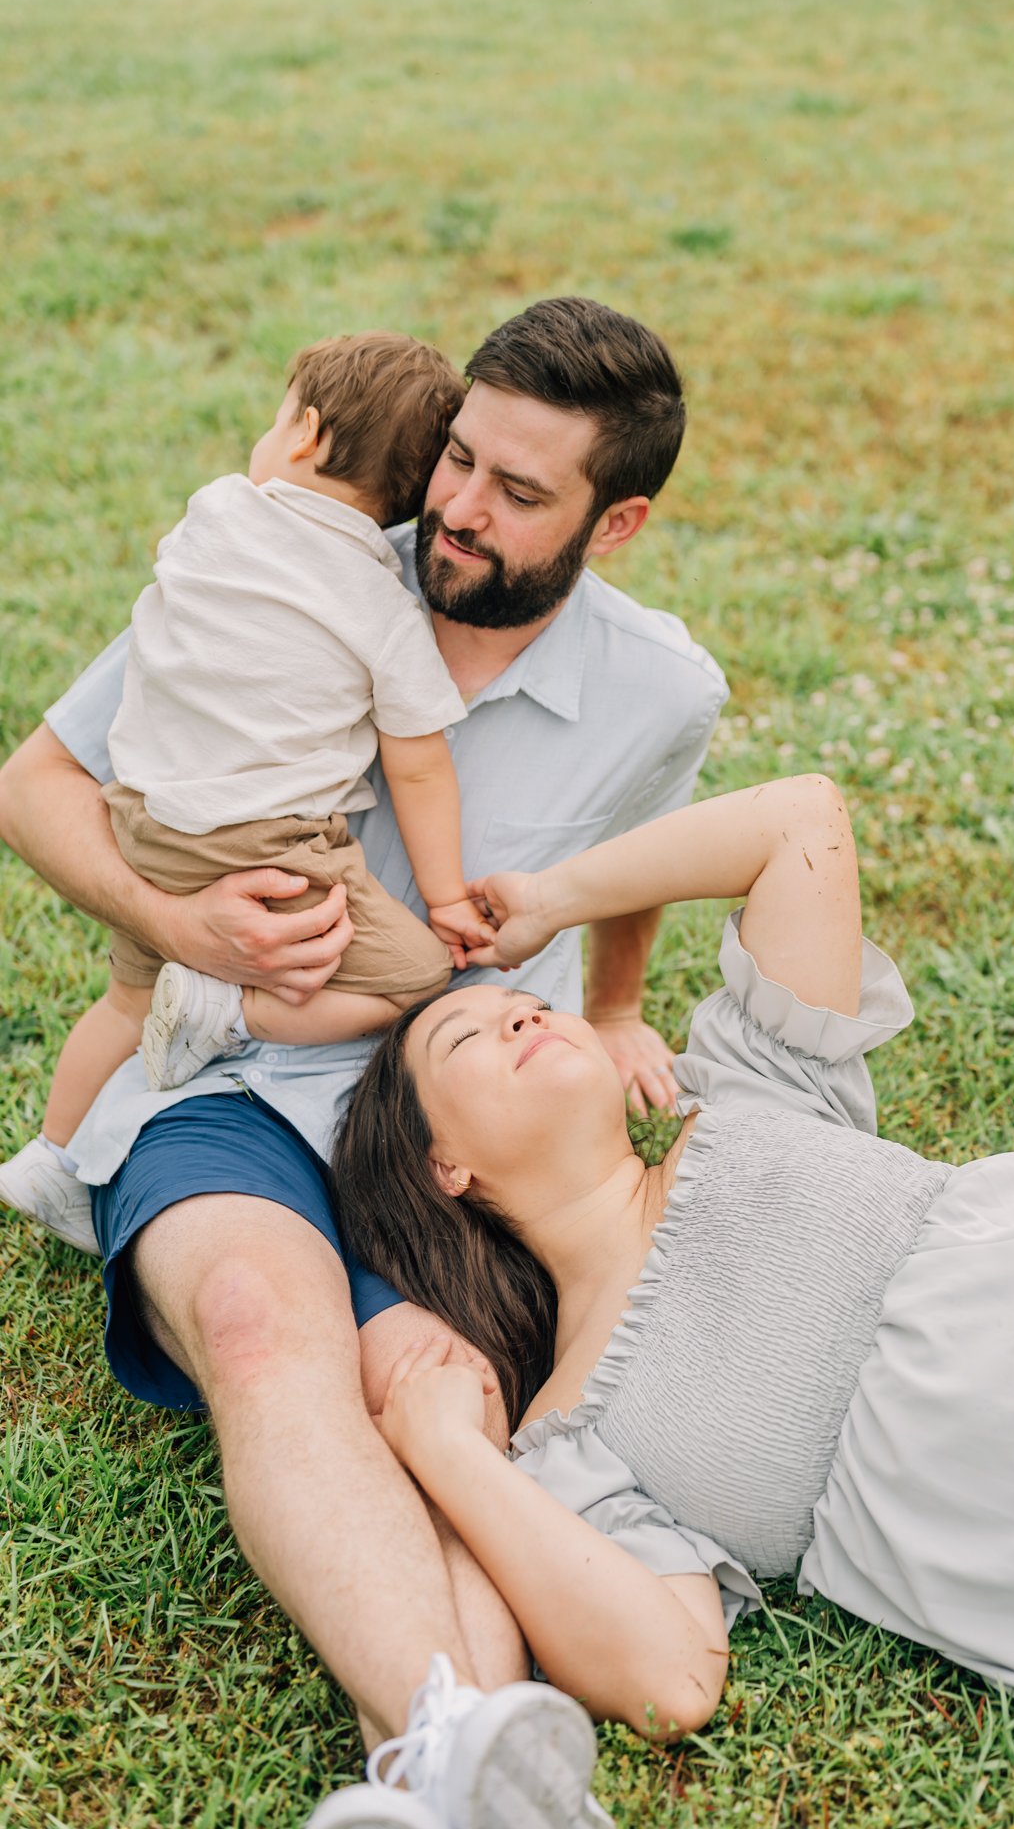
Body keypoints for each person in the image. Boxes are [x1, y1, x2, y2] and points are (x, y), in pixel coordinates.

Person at [0, 297, 727, 1829]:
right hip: (229, 1087)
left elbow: (634, 847)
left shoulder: (661, 690)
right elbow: (38, 783)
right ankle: (450, 1745)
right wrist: (180, 921)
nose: (454, 508)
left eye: (518, 493)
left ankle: (456, 1776)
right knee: (271, 1331)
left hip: (449, 1123)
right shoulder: (280, 562)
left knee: (439, 1395)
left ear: (621, 522)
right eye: (457, 457)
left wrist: (609, 1006)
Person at [332, 772, 1014, 1829]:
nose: (520, 1018)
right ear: (442, 1164)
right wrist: (451, 1453)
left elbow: (800, 821)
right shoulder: (572, 1443)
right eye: (470, 1038)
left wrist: (552, 900)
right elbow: (670, 1678)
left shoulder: (751, 1090)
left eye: (529, 1004)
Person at [0, 331, 495, 1246]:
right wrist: (446, 896)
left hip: (145, 820)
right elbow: (416, 763)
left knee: (125, 999)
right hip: (268, 846)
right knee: (417, 974)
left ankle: (51, 1157)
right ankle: (226, 1010)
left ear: (303, 433)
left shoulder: (216, 511)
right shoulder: (383, 605)